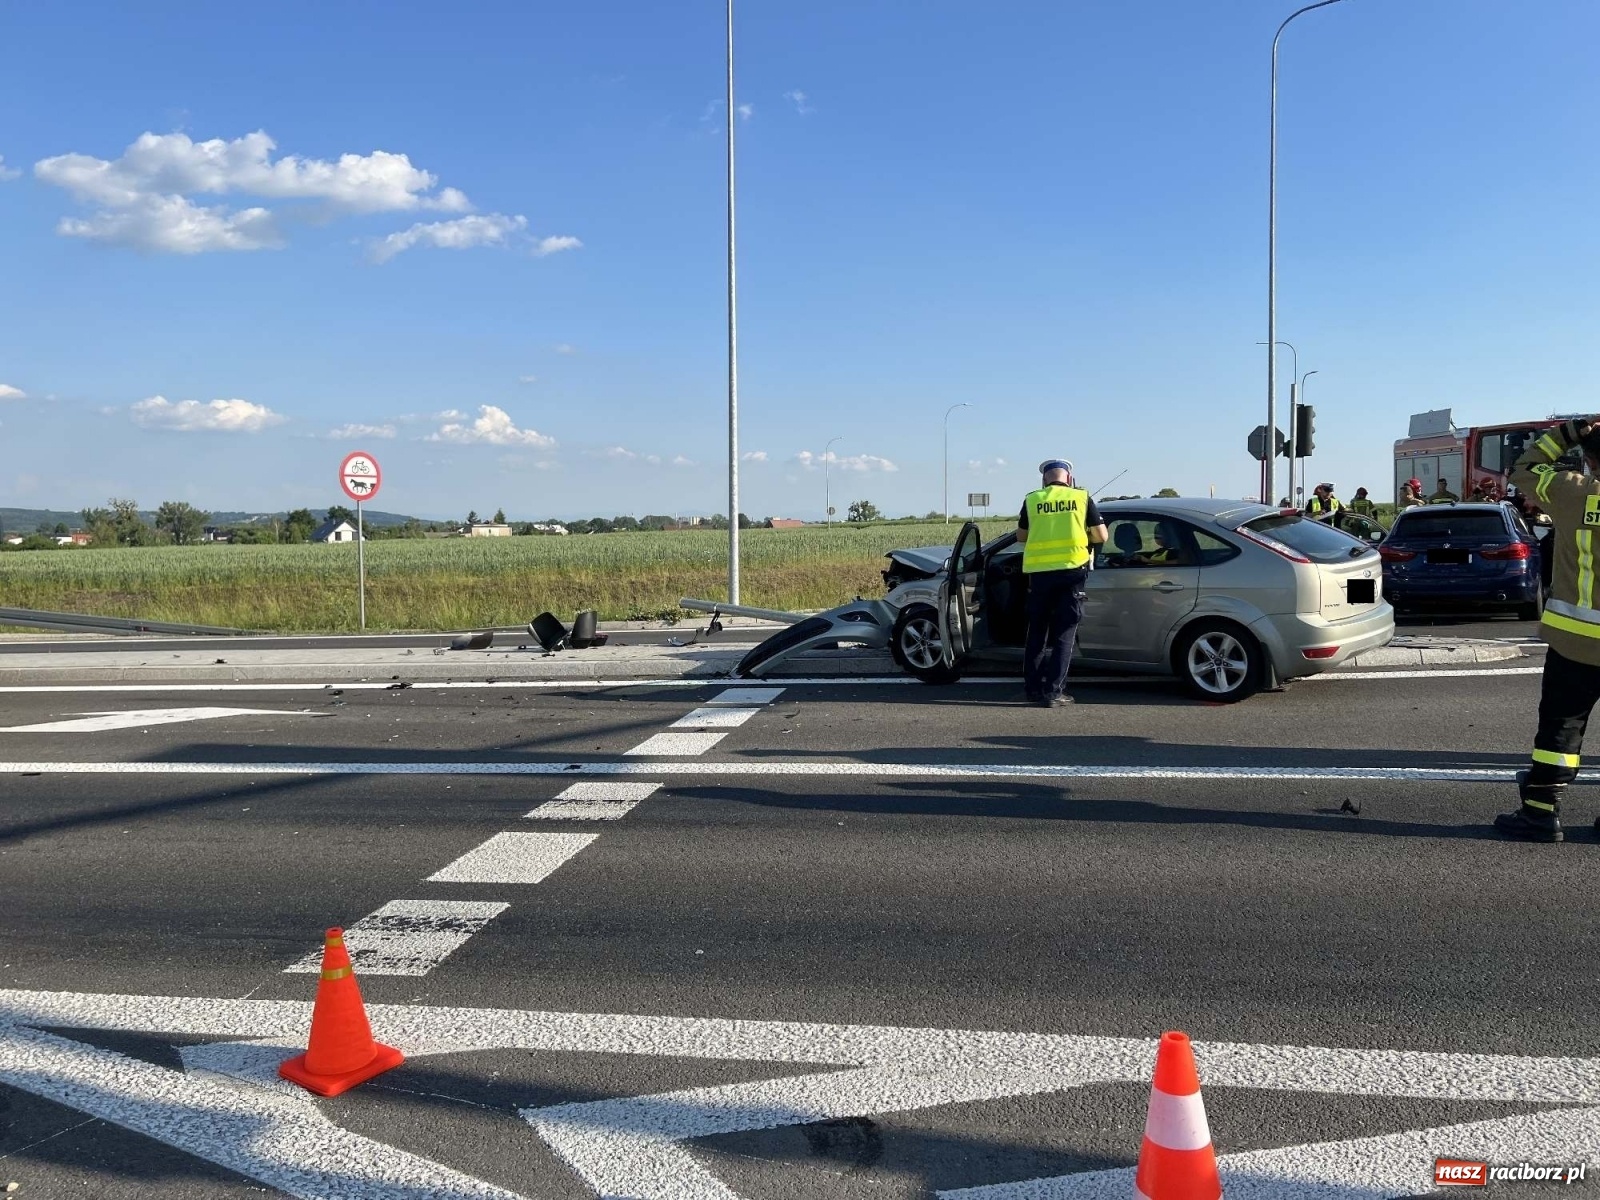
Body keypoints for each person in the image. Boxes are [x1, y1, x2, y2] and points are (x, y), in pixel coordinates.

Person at [1494, 416, 1600, 841]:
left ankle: (1540, 813)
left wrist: (1569, 433)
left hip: (1575, 642)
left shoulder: (1572, 491)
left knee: (1560, 728)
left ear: (1591, 461)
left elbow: (1524, 467)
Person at [1017, 459, 1107, 708]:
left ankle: (1033, 690)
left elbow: (1021, 536)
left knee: (1037, 633)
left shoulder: (1033, 499)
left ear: (1044, 479)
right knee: (1064, 634)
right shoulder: (1081, 497)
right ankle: (1054, 692)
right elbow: (1101, 535)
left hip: (1039, 575)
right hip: (1071, 573)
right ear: (1069, 478)